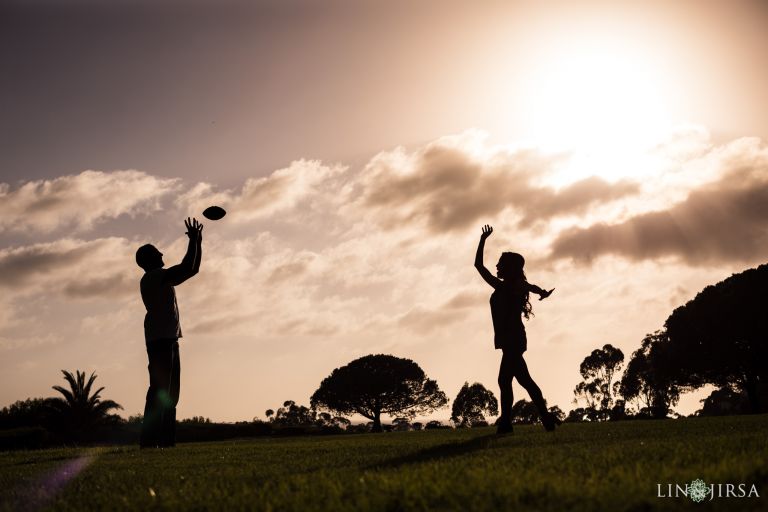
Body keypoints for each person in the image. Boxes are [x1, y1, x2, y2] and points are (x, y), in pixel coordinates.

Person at [474, 224, 558, 434]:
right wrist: (483, 239)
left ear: (509, 268)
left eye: (501, 263)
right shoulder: (506, 286)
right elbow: (479, 265)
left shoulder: (511, 286)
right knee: (524, 380)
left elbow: (527, 285)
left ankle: (506, 424)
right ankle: (546, 418)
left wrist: (541, 291)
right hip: (510, 340)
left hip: (513, 340)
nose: (497, 266)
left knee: (505, 380)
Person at [135, 217, 203, 447]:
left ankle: (165, 441)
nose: (161, 253)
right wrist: (193, 240)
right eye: (156, 252)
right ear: (149, 259)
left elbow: (192, 269)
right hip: (160, 340)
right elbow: (186, 268)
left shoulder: (161, 278)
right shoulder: (153, 277)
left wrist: (198, 242)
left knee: (170, 394)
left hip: (168, 339)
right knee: (160, 391)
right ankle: (150, 440)